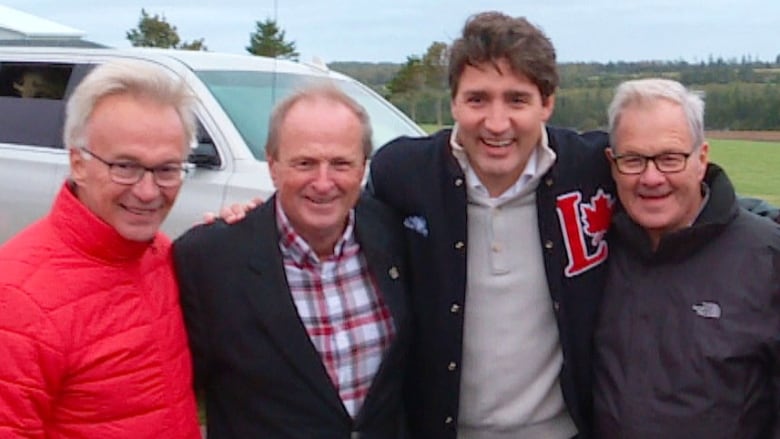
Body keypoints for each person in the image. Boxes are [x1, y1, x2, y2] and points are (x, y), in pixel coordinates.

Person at [368, 11, 615, 438]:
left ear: (547, 103)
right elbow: (333, 226)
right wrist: (247, 225)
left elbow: (682, 190)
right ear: (454, 102)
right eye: (478, 99)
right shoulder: (403, 175)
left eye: (517, 100)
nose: (496, 123)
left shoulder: (593, 169)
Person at [174, 86, 411, 438]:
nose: (323, 182)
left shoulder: (394, 235)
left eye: (341, 163)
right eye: (305, 163)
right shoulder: (208, 261)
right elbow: (174, 394)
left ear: (363, 167)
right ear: (272, 165)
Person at [0, 60, 201, 437]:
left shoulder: (160, 255)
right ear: (78, 163)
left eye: (167, 169)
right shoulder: (17, 299)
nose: (147, 191)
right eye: (125, 166)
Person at [593, 78, 780, 437]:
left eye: (669, 159)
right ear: (612, 164)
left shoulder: (767, 260)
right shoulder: (594, 254)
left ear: (702, 158)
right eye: (633, 159)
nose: (651, 178)